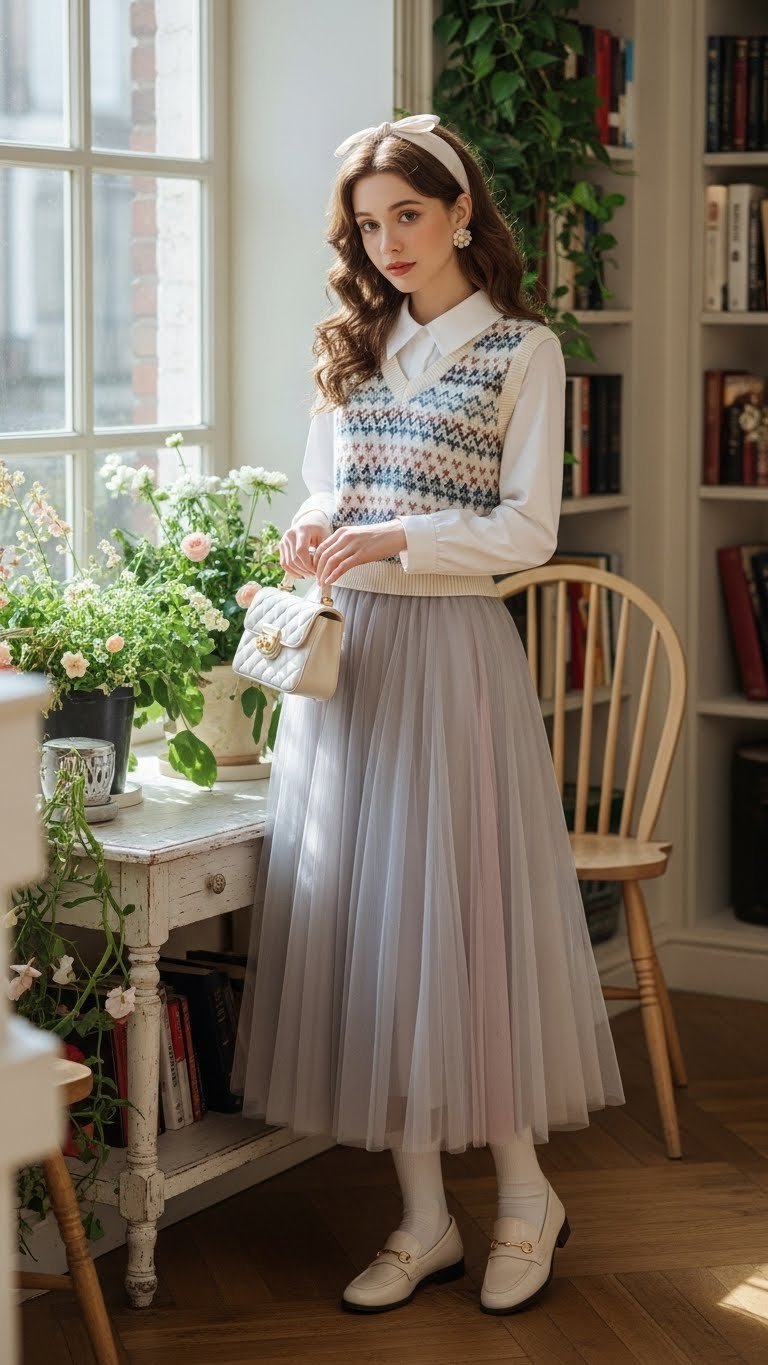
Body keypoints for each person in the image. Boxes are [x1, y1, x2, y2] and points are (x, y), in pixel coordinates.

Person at [231, 113, 625, 1317]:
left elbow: (526, 533)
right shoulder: (353, 349)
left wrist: (398, 533)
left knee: (468, 927)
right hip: (351, 668)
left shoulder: (521, 351)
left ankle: (523, 1198)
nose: (389, 241)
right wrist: (311, 527)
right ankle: (422, 1219)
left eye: (410, 214)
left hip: (453, 662)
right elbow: (325, 481)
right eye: (369, 222)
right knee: (375, 935)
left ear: (462, 215)